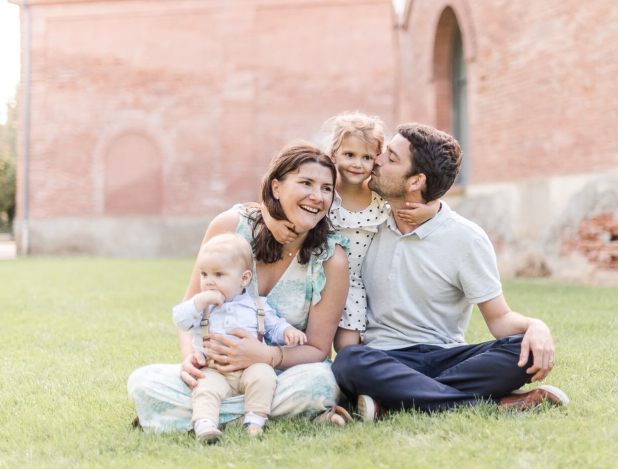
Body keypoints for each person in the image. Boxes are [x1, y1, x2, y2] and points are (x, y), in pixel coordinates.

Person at [332, 123, 569, 420]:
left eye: (390, 158)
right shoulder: (368, 220)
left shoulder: (466, 238)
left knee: (525, 349)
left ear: (416, 181)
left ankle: (393, 400)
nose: (376, 160)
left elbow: (499, 319)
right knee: (349, 361)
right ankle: (494, 404)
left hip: (447, 357)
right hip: (384, 357)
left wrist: (537, 326)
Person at [128, 142, 352, 432]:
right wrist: (190, 362)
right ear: (276, 188)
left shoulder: (331, 259)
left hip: (281, 375)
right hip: (216, 371)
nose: (316, 196)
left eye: (326, 188)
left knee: (321, 381)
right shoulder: (231, 226)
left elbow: (318, 349)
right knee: (143, 381)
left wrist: (269, 356)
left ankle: (196, 416)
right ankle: (267, 417)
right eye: (306, 183)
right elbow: (190, 310)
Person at [263, 112, 439, 351]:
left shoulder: (379, 196)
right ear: (333, 154)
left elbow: (422, 199)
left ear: (377, 160)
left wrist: (431, 210)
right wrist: (272, 222)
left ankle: (354, 383)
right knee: (308, 341)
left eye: (366, 157)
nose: (357, 164)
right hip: (317, 278)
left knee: (348, 349)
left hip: (357, 284)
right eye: (349, 155)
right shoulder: (324, 191)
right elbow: (267, 202)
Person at [173, 233, 307, 440]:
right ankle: (205, 424)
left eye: (218, 275)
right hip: (214, 369)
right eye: (204, 274)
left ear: (244, 278)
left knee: (265, 375)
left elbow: (274, 326)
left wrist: (288, 332)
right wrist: (199, 301)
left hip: (250, 368)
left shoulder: (257, 305)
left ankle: (254, 420)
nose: (209, 282)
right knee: (204, 387)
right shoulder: (202, 308)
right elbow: (180, 320)